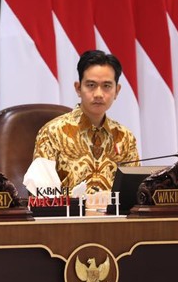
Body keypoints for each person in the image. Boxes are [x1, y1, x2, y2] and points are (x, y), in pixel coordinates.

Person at [32, 50, 139, 193]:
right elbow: (41, 192)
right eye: (91, 85)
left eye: (106, 86)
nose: (98, 94)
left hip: (115, 215)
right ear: (78, 88)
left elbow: (134, 192)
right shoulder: (52, 133)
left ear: (117, 91)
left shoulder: (124, 137)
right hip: (68, 214)